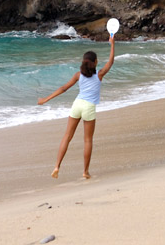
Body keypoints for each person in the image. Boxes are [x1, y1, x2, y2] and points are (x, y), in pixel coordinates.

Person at [37, 35, 115, 179]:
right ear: (95, 62)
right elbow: (111, 62)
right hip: (89, 108)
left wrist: (45, 99)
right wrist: (112, 44)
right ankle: (85, 172)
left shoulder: (78, 75)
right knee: (87, 140)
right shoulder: (99, 75)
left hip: (77, 105)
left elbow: (63, 88)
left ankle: (56, 166)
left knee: (67, 137)